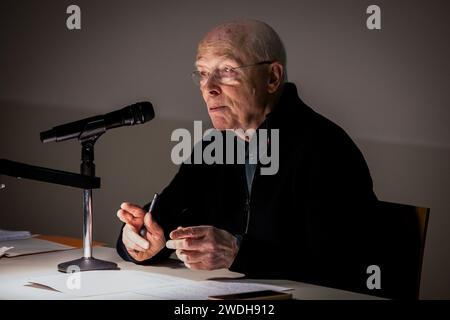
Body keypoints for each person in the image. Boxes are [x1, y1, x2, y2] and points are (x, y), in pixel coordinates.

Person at [116, 19, 380, 295]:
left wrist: (238, 252)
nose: (209, 88)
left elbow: (345, 266)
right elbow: (164, 217)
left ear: (272, 77)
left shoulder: (326, 148)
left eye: (227, 70)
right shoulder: (214, 145)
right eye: (203, 73)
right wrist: (140, 241)